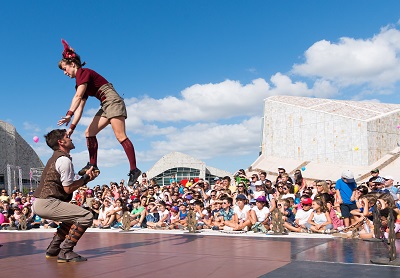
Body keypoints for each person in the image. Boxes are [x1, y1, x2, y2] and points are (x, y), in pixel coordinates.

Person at [56, 39, 141, 186]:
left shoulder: (83, 73)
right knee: (89, 133)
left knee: (120, 136)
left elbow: (76, 99)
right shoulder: (80, 82)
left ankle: (134, 170)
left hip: (113, 101)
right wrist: (71, 128)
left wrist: (69, 113)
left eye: (65, 69)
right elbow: (80, 107)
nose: (64, 73)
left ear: (73, 64)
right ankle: (93, 164)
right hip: (105, 105)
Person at [32, 129, 99, 263]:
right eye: (67, 137)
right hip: (47, 202)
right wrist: (85, 179)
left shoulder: (56, 158)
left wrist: (84, 179)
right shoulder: (64, 160)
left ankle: (53, 249)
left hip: (41, 202)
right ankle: (66, 251)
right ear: (61, 142)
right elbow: (68, 189)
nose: (71, 138)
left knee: (71, 219)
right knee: (86, 216)